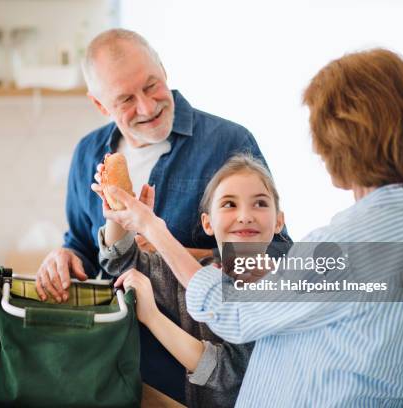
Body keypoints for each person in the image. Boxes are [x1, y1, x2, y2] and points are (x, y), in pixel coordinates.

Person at [102, 48, 403, 406]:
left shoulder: (347, 246)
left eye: (319, 131)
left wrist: (153, 228)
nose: (318, 151)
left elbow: (232, 314)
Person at [33, 29, 288, 402]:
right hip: (108, 368)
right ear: (101, 105)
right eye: (125, 99)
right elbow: (83, 244)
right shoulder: (88, 153)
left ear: (164, 71)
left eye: (151, 86)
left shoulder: (228, 143)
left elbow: (278, 255)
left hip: (200, 384)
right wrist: (64, 256)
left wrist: (168, 248)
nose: (147, 107)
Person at [96, 154, 285, 407]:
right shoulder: (197, 271)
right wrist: (118, 212)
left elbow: (224, 372)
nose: (245, 215)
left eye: (260, 203)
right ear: (208, 223)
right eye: (229, 204)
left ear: (279, 222)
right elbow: (121, 260)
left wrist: (153, 317)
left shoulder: (279, 288)